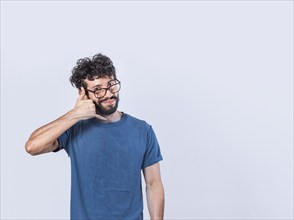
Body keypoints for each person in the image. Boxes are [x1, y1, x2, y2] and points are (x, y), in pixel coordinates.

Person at [25, 53, 164, 220]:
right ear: (83, 93)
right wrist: (74, 114)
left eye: (111, 85)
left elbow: (154, 184)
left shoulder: (143, 130)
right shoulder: (74, 128)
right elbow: (32, 146)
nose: (108, 94)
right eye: (98, 89)